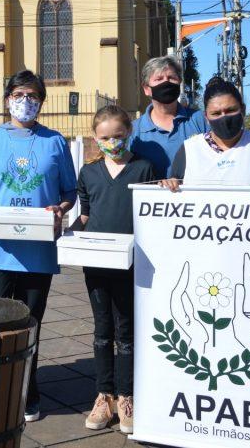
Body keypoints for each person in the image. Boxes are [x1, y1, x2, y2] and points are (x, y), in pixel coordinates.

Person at [0, 70, 78, 423]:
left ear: (42, 102)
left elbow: (69, 191)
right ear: (7, 99)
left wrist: (60, 209)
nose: (26, 101)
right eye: (19, 94)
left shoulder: (55, 142)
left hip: (37, 250)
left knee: (31, 324)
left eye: (33, 95)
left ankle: (27, 391)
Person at [76, 105, 154, 435]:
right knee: (101, 330)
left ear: (129, 134)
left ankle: (126, 396)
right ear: (96, 138)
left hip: (130, 264)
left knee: (126, 332)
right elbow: (83, 215)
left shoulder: (144, 168)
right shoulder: (89, 173)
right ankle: (104, 394)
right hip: (96, 265)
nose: (112, 142)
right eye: (105, 138)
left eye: (118, 136)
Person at [161, 77, 250, 192]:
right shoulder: (189, 149)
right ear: (206, 117)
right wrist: (170, 187)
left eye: (230, 110)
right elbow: (173, 196)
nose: (224, 118)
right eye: (216, 113)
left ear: (242, 110)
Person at [130, 56, 208, 180]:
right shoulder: (134, 130)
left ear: (179, 83)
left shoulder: (199, 120)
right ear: (146, 89)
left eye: (172, 78)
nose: (166, 82)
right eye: (159, 79)